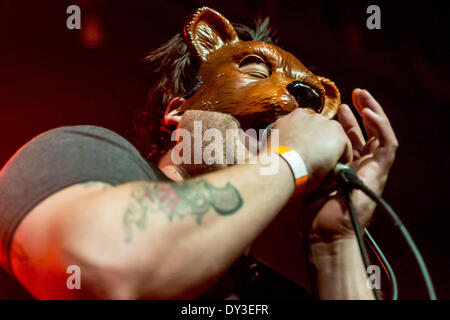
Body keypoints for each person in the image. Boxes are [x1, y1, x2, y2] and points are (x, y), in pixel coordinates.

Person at [0, 8, 398, 299]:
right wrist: (290, 160)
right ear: (176, 112)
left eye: (308, 100)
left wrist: (336, 241)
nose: (292, 106)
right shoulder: (80, 153)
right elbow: (105, 266)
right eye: (258, 73)